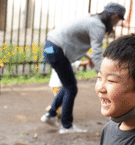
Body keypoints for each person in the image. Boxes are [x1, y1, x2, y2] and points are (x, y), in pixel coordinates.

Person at [40, 2, 126, 133]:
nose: (117, 23)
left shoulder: (91, 18)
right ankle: (66, 126)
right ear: (114, 16)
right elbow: (97, 54)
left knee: (68, 85)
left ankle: (51, 114)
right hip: (56, 49)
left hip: (50, 47)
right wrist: (105, 76)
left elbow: (70, 38)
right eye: (119, 19)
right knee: (71, 88)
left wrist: (88, 57)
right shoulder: (98, 26)